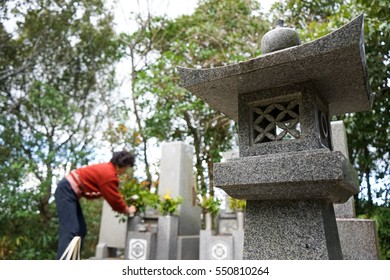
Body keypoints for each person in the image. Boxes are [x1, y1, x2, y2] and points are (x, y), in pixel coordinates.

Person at [54, 151, 136, 259]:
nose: (125, 171)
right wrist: (127, 210)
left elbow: (109, 194)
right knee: (71, 229)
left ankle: (73, 258)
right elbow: (115, 201)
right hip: (67, 190)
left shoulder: (107, 170)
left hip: (69, 191)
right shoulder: (109, 175)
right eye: (126, 168)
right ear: (120, 165)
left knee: (80, 229)